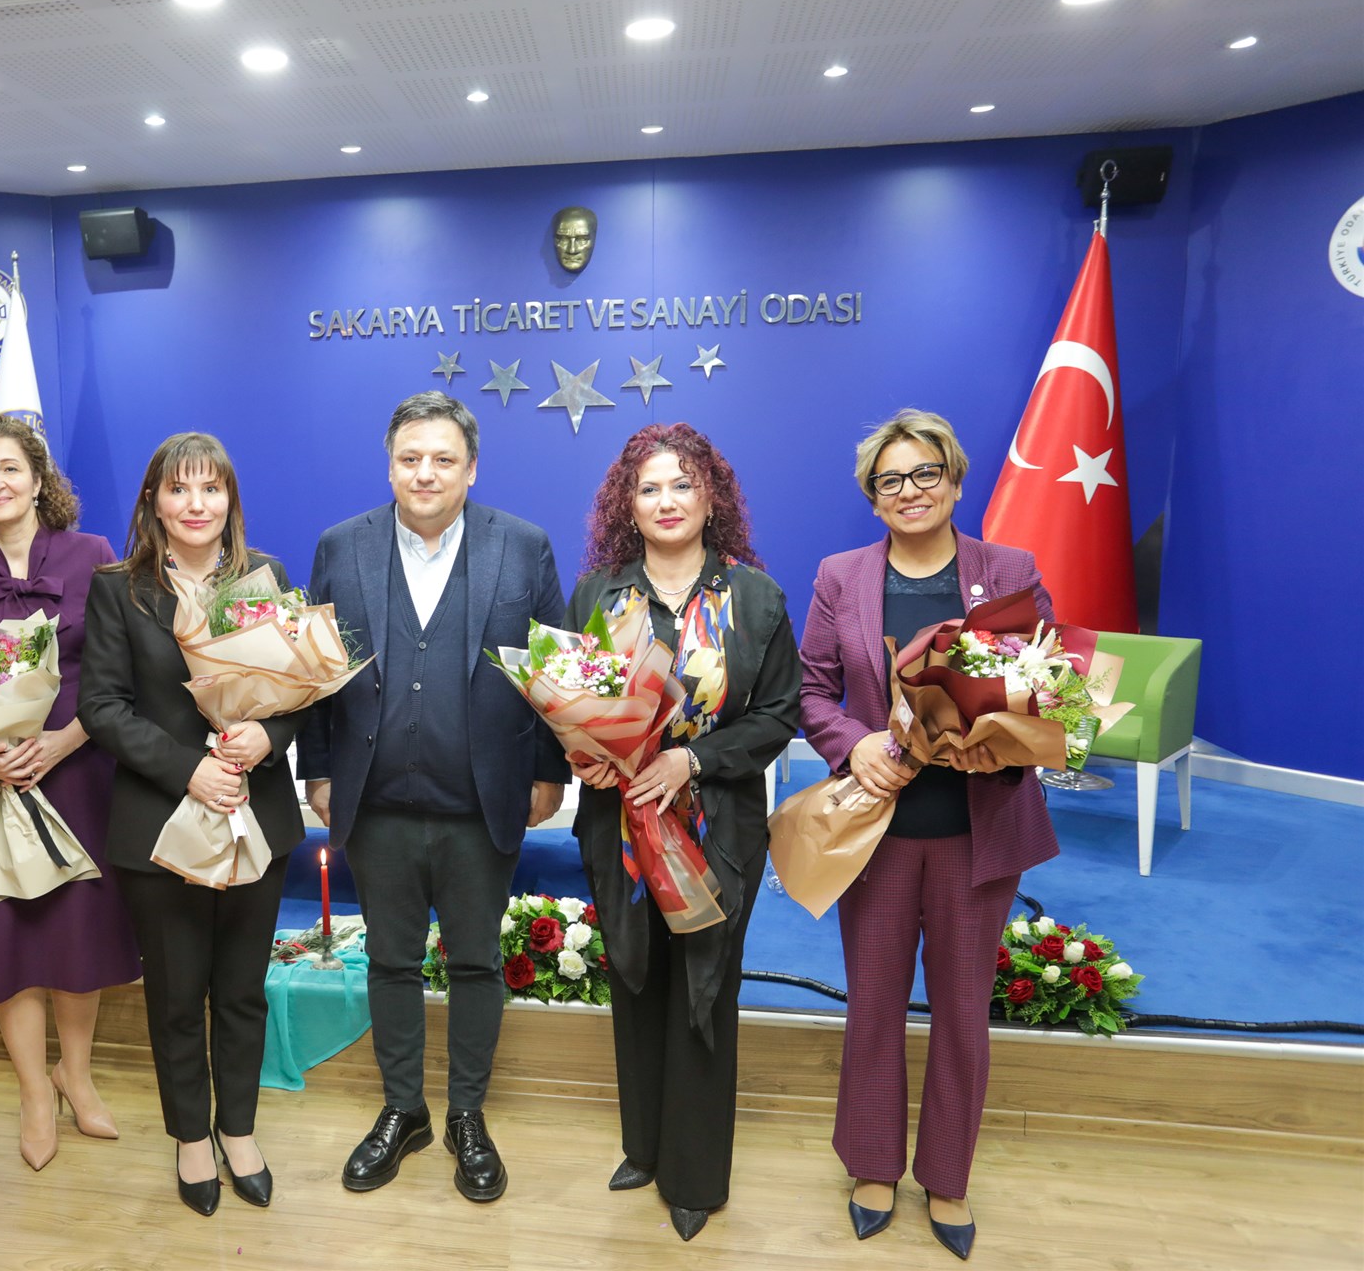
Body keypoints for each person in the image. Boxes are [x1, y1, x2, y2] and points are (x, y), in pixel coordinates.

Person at [798, 409, 1060, 1261]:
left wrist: (1004, 745)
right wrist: (854, 743)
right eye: (890, 480)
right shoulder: (841, 576)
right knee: (872, 1003)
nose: (909, 491)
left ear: (954, 480)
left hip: (978, 835)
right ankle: (873, 1164)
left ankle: (948, 1176)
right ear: (871, 497)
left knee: (962, 1013)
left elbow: (1049, 689)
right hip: (877, 832)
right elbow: (811, 692)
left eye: (925, 474)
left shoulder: (1009, 571)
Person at [298, 391, 569, 1204]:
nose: (425, 472)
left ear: (471, 468)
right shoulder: (341, 545)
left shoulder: (523, 546)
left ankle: (466, 1116)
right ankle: (404, 1110)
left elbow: (554, 669)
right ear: (389, 466)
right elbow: (316, 670)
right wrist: (318, 768)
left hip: (483, 803)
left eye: (443, 459)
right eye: (410, 458)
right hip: (375, 802)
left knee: (478, 963)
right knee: (389, 961)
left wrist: (550, 772)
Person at [567, 423, 801, 1241]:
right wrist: (589, 756)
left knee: (704, 985)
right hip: (619, 825)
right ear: (626, 505)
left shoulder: (755, 598)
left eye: (682, 485)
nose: (666, 501)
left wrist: (692, 760)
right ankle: (644, 1146)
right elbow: (571, 698)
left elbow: (779, 715)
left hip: (717, 826)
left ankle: (695, 1173)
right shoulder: (598, 595)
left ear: (711, 498)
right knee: (635, 975)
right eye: (649, 488)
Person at [78, 432, 308, 1216]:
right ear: (154, 501)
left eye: (211, 488)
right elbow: (101, 707)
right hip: (161, 823)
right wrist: (188, 769)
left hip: (255, 814)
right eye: (179, 489)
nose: (196, 504)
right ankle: (190, 1139)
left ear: (229, 500)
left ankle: (237, 1130)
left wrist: (267, 737)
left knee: (242, 991)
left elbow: (301, 689)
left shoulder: (265, 578)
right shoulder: (119, 588)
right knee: (177, 995)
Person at [0, 412, 142, 1172]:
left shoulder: (94, 555)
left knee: (79, 934)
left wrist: (67, 739)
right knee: (8, 937)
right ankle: (33, 1094)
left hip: (78, 772)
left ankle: (76, 1075)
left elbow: (119, 671)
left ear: (39, 478)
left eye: (10, 468)